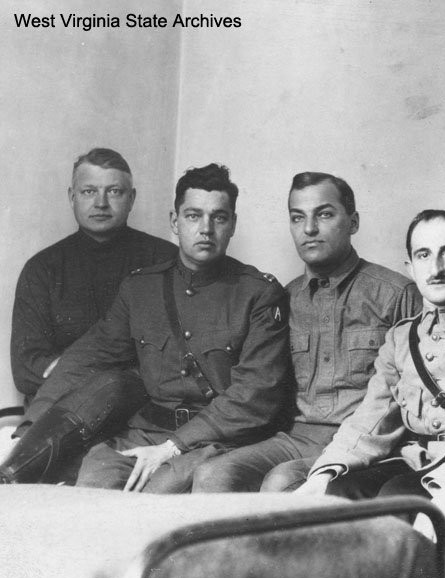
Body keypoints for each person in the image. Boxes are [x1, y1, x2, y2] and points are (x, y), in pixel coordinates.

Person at [3, 163, 291, 492]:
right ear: (175, 221)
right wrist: (29, 429)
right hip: (147, 430)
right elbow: (84, 360)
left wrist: (173, 447)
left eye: (219, 217)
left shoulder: (258, 293)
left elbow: (254, 395)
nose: (206, 229)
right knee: (94, 481)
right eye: (194, 216)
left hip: (217, 438)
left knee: (160, 492)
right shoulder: (141, 288)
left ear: (233, 224)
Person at [295, 209, 445, 534]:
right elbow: (371, 418)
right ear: (410, 266)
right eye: (423, 255)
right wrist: (325, 472)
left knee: (399, 499)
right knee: (340, 491)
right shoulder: (403, 337)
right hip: (416, 458)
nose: (435, 269)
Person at [191, 172, 420, 493]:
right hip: (296, 438)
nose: (309, 229)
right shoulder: (283, 297)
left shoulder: (395, 293)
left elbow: (411, 392)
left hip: (364, 439)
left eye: (324, 214)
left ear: (353, 222)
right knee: (213, 474)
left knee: (282, 481)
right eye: (298, 218)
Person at [11, 148, 176, 404]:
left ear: (131, 198)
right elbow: (27, 367)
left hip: (144, 410)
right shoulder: (42, 268)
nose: (101, 203)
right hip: (64, 409)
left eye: (114, 191)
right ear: (72, 197)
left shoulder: (165, 259)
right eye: (89, 191)